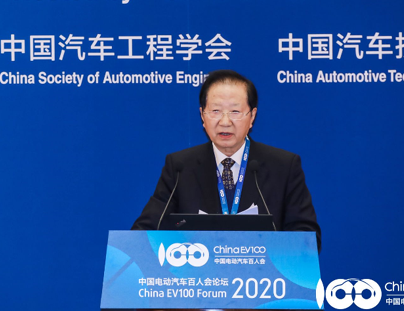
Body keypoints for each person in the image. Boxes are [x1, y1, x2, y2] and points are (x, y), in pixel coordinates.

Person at [132, 70, 321, 250]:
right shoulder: (180, 167)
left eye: (235, 112)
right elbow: (145, 231)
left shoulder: (283, 166)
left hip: (260, 271)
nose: (224, 121)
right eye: (215, 111)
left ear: (252, 116)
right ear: (202, 116)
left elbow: (307, 237)